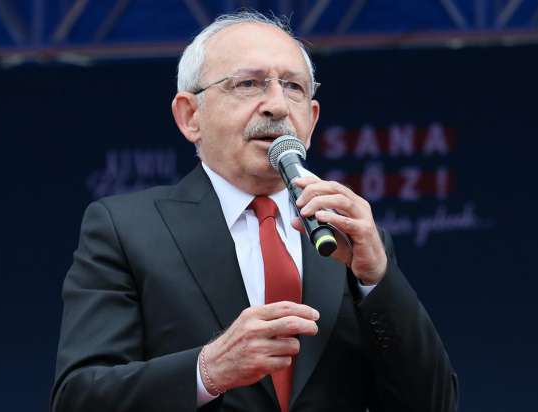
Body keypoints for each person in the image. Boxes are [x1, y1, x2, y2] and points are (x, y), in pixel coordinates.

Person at [51, 11, 458, 412]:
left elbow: (435, 403)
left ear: (312, 120)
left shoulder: (347, 235)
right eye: (248, 84)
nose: (277, 106)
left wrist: (377, 279)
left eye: (294, 87)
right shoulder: (126, 230)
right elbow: (79, 398)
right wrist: (208, 371)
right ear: (190, 116)